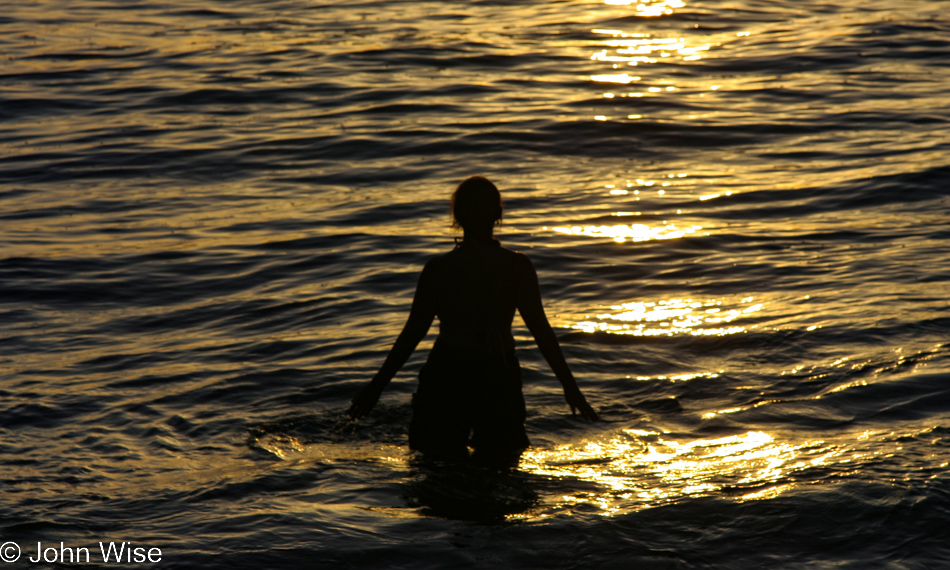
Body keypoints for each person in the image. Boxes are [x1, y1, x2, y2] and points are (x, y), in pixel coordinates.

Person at [347, 175, 597, 462]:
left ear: (457, 216)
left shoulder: (439, 269)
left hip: (448, 370)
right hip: (498, 372)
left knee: (435, 465)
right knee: (501, 467)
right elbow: (541, 331)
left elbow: (412, 334)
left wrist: (375, 388)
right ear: (498, 215)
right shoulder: (517, 266)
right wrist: (570, 387)